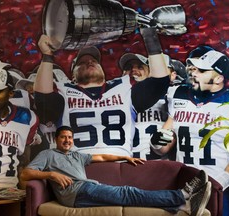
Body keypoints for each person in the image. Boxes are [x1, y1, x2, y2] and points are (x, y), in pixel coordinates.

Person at [34, 27, 171, 156]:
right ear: (73, 77)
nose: (89, 63)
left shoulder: (123, 90)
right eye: (82, 63)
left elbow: (160, 82)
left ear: (103, 72)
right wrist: (47, 56)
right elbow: (42, 99)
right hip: (76, 167)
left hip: (119, 164)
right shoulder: (65, 93)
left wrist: (150, 36)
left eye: (94, 61)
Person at [20, 125, 211, 216]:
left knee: (129, 195)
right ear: (57, 139)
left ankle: (182, 207)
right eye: (63, 137)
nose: (67, 141)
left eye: (70, 137)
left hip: (86, 188)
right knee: (128, 192)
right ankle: (183, 195)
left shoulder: (77, 155)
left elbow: (102, 157)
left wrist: (125, 157)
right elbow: (25, 174)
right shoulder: (47, 154)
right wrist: (50, 174)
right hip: (75, 192)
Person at [150, 48, 229, 216]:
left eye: (202, 70)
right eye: (193, 69)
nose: (194, 74)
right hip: (183, 184)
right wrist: (156, 142)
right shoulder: (179, 95)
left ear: (219, 78)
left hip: (217, 186)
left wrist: (219, 183)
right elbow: (163, 147)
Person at [118, 53, 187, 160]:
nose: (134, 70)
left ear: (150, 72)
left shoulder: (170, 95)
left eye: (140, 67)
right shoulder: (111, 100)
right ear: (123, 74)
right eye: (128, 68)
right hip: (122, 166)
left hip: (158, 166)